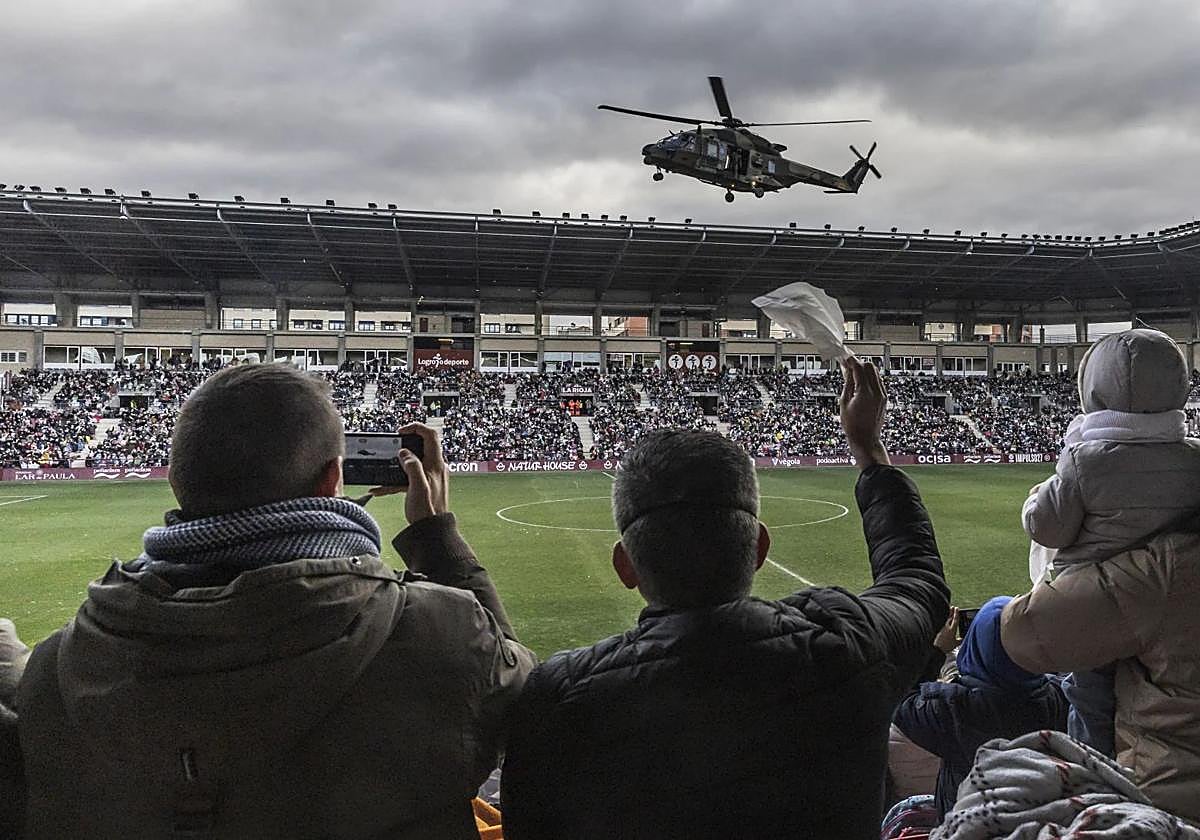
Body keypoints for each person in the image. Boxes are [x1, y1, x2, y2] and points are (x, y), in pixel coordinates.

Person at [16, 363, 536, 840]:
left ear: (176, 481)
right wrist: (435, 534)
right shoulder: (439, 633)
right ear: (334, 478)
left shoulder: (56, 669)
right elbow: (526, 706)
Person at [501, 358, 950, 839]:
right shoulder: (846, 645)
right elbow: (917, 580)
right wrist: (868, 449)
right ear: (759, 547)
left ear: (624, 566)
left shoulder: (561, 697)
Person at [1021, 328, 1200, 757]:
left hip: (1095, 607)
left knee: (1090, 705)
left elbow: (1047, 528)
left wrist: (1034, 498)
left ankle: (1095, 781)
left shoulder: (1084, 459)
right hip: (1171, 613)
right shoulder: (1194, 458)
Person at [893, 597, 1068, 818]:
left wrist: (938, 652)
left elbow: (899, 698)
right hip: (1040, 822)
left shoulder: (952, 709)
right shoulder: (1059, 696)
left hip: (966, 823)